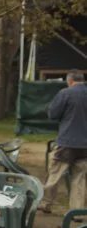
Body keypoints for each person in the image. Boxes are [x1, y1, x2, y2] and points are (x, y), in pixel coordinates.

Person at [39, 70, 87, 217]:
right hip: (85, 144)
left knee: (55, 173)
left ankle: (46, 203)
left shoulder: (65, 93)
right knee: (80, 177)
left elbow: (53, 114)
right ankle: (77, 212)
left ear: (70, 80)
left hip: (67, 141)